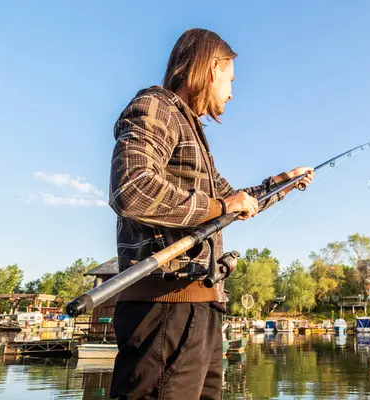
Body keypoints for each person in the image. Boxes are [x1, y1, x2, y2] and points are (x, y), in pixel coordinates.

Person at [107, 28, 314, 400]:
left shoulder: (193, 134)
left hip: (200, 311)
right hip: (163, 312)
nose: (232, 93)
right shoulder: (156, 106)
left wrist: (283, 182)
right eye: (230, 80)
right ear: (212, 66)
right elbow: (131, 189)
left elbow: (234, 200)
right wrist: (219, 207)